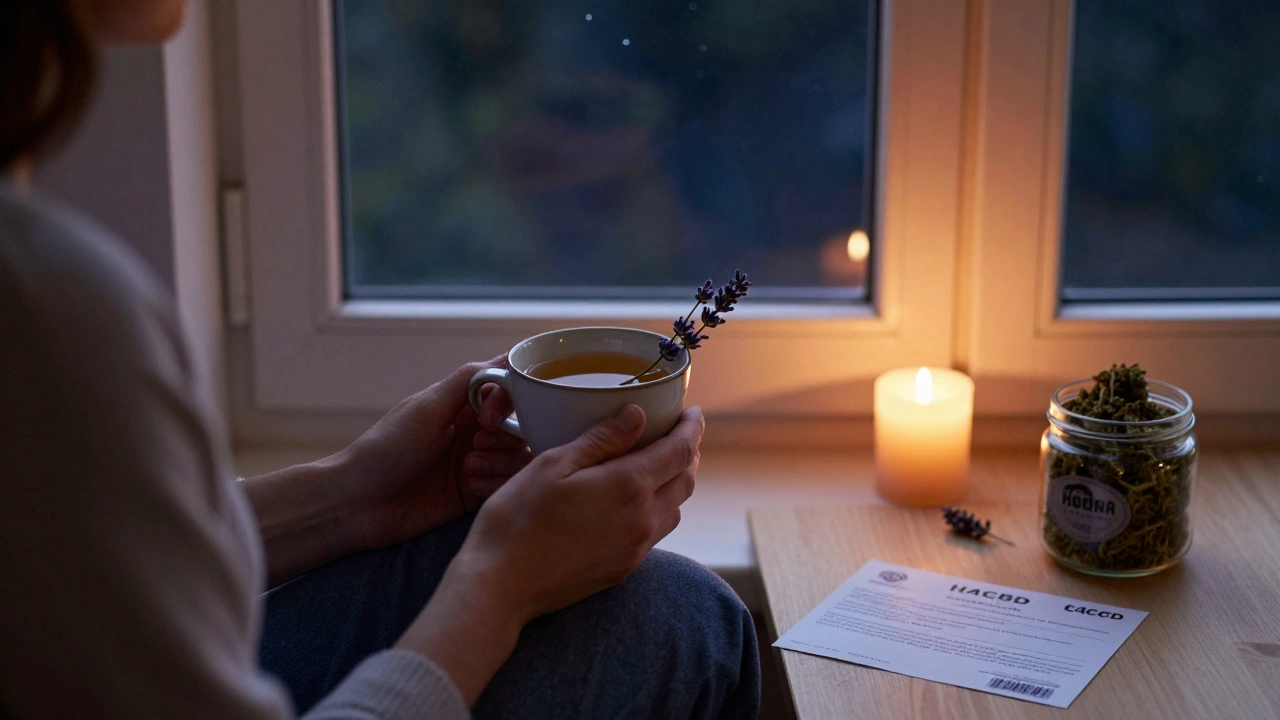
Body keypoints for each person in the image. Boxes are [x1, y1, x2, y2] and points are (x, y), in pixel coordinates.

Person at [0, 1, 760, 718]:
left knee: (680, 610)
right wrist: (499, 589)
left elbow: (63, 570)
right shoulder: (45, 308)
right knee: (689, 629)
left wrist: (349, 498)